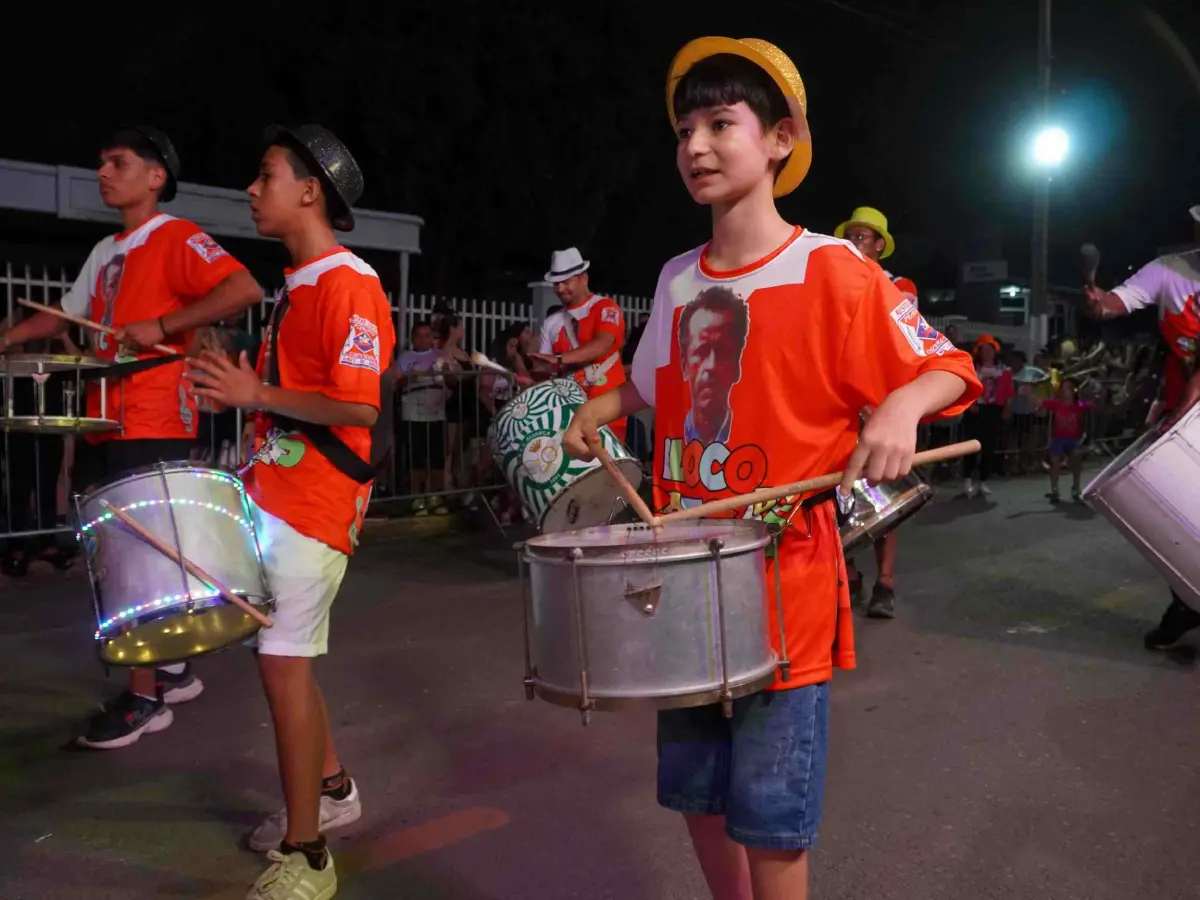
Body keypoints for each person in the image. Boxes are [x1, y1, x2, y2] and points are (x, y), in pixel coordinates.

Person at [562, 38, 980, 900]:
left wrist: (899, 407)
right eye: (685, 130)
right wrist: (593, 416)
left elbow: (950, 369)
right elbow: (642, 388)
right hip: (680, 585)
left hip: (782, 595)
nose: (697, 147)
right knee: (696, 799)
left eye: (722, 124)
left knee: (770, 816)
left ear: (782, 138)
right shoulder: (678, 278)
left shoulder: (833, 268)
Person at [0, 125, 262, 749]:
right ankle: (173, 671)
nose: (103, 172)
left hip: (153, 416)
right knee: (136, 555)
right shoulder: (105, 251)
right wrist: (8, 336)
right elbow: (64, 312)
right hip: (107, 417)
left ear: (156, 177)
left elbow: (243, 288)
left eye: (118, 162)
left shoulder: (177, 237)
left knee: (133, 560)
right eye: (101, 163)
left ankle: (146, 698)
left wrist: (166, 324)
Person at [188, 123, 391, 900]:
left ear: (311, 190)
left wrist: (257, 395)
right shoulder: (298, 285)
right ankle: (333, 791)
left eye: (264, 174)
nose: (251, 187)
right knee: (285, 664)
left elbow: (359, 408)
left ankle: (309, 855)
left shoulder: (348, 284)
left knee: (282, 667)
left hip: (315, 506)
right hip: (278, 497)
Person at [1082, 206, 1200, 651]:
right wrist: (1100, 303)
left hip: (1191, 400)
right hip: (1181, 403)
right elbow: (1119, 302)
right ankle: (1187, 599)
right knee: (1176, 512)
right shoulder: (1169, 269)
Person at [832, 206, 919, 618]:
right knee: (836, 495)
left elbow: (896, 337)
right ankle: (848, 572)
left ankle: (885, 582)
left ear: (880, 244)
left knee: (887, 495)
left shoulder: (899, 285)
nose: (854, 242)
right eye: (850, 235)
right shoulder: (835, 283)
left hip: (882, 404)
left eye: (863, 236)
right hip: (841, 405)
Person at [529, 247, 629, 442]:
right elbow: (544, 367)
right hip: (569, 412)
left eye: (566, 282)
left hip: (607, 406)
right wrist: (533, 380)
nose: (559, 289)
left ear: (584, 279)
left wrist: (559, 359)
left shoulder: (605, 308)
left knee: (610, 465)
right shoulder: (551, 322)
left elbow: (602, 345)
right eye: (556, 283)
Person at [961, 334, 1013, 498]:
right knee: (971, 446)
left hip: (993, 410)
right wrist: (970, 405)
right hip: (976, 410)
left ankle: (983, 481)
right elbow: (965, 388)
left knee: (989, 447)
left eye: (990, 349)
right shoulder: (972, 368)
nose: (987, 353)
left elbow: (1008, 392)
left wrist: (1006, 408)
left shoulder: (1003, 370)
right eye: (983, 349)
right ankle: (967, 480)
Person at [1039, 377, 1090, 503]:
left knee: (1076, 463)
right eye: (1062, 387)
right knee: (1055, 464)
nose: (1063, 391)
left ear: (1073, 390)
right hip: (1058, 439)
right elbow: (1038, 402)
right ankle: (1054, 489)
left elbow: (1092, 406)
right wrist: (1027, 393)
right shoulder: (1056, 404)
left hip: (1073, 439)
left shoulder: (1078, 405)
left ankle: (1076, 488)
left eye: (1067, 388)